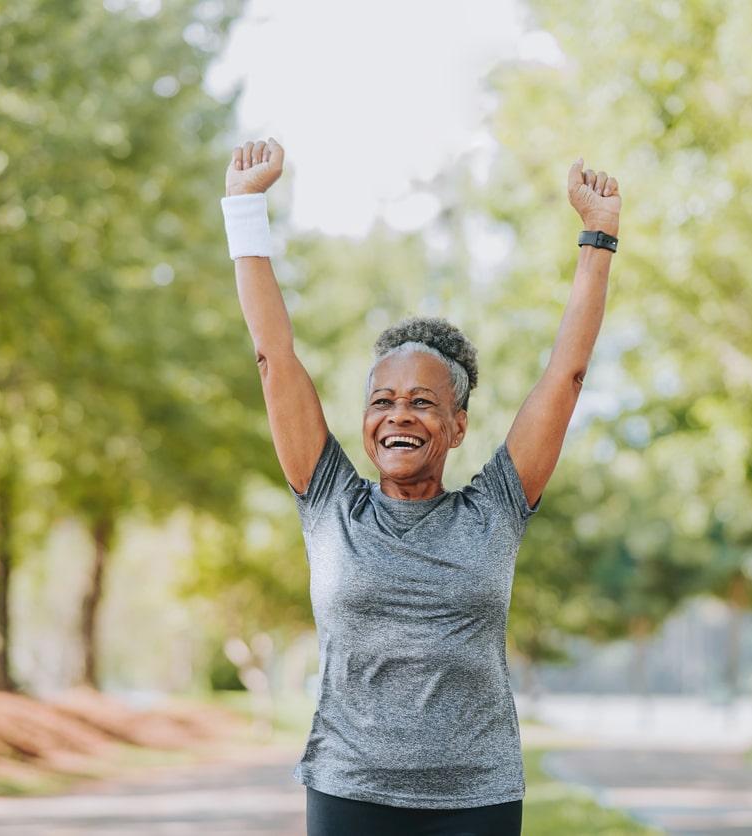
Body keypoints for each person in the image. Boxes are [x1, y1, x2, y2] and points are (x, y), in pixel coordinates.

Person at [221, 137, 621, 836]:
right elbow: (273, 359)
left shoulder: (496, 507)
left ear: (458, 425)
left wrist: (598, 237)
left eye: (423, 403)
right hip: (349, 789)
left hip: (476, 797)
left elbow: (566, 375)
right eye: (382, 400)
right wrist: (245, 209)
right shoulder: (328, 502)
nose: (398, 415)